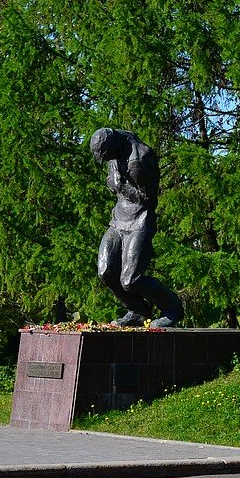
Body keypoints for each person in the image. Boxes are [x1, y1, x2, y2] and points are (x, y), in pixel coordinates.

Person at [89, 127, 185, 328]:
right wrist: (115, 184)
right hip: (118, 220)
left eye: (106, 157)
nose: (107, 162)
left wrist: (120, 185)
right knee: (105, 271)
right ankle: (137, 311)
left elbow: (148, 199)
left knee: (130, 279)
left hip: (140, 221)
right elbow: (113, 183)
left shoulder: (138, 160)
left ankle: (173, 309)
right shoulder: (114, 149)